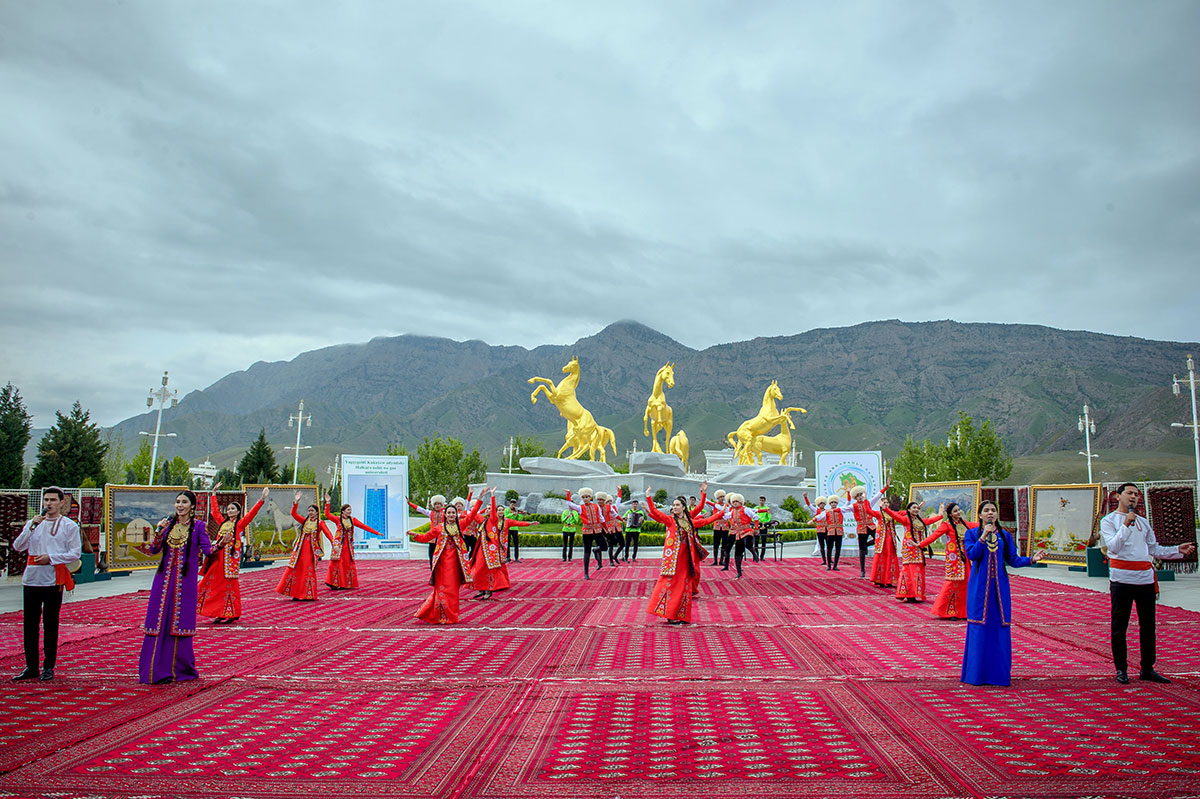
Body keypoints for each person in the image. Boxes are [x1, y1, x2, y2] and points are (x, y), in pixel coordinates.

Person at [1100, 482, 1196, 684]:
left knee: (1148, 626)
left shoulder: (1143, 522)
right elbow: (1114, 547)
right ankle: (1121, 669)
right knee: (1120, 626)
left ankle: (1147, 668)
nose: (1133, 497)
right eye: (1129, 493)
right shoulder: (1109, 521)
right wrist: (1126, 524)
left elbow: (1154, 549)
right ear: (1118, 496)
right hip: (1121, 580)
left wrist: (1178, 549)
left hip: (1144, 580)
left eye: (1136, 494)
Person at [961, 500, 1046, 686]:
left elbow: (1013, 560)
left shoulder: (1006, 536)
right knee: (979, 626)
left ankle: (998, 675)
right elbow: (972, 555)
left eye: (993, 510)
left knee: (999, 628)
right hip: (979, 590)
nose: (990, 513)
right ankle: (976, 675)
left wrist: (1032, 559)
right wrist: (983, 536)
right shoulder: (972, 534)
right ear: (980, 515)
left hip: (1000, 591)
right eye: (986, 510)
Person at [138, 490, 213, 684]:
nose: (180, 505)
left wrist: (221, 544)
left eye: (184, 502)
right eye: (177, 502)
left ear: (192, 506)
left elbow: (208, 551)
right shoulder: (168, 525)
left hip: (184, 584)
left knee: (178, 623)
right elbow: (154, 549)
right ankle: (153, 670)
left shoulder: (198, 527)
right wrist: (158, 531)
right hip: (162, 582)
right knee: (158, 621)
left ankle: (177, 669)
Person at [12, 487, 81, 682]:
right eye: (46, 500)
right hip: (32, 579)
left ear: (61, 503)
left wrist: (51, 558)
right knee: (30, 624)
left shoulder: (69, 526)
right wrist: (30, 527)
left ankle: (48, 666)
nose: (48, 504)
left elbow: (74, 553)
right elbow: (18, 546)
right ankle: (31, 666)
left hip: (53, 579)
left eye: (52, 500)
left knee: (50, 624)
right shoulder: (34, 524)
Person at [644, 482, 721, 624]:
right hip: (673, 561)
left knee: (683, 587)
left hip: (686, 560)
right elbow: (655, 512)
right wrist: (648, 497)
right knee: (671, 585)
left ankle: (680, 615)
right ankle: (669, 614)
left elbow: (707, 519)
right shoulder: (670, 521)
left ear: (684, 508)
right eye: (673, 505)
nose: (674, 507)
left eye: (677, 505)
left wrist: (720, 510)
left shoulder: (689, 522)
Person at [408, 491, 486, 623]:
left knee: (453, 591)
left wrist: (479, 499)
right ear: (445, 514)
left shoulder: (460, 525)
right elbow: (427, 537)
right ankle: (440, 615)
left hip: (456, 563)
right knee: (442, 589)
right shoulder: (439, 528)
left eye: (453, 513)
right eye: (449, 513)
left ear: (456, 515)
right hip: (442, 564)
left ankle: (451, 616)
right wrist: (415, 535)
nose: (451, 515)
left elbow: (472, 514)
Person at [197, 484, 267, 624]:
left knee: (229, 586)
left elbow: (251, 515)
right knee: (212, 583)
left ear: (238, 511)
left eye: (232, 509)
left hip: (229, 560)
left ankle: (232, 612)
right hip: (218, 558)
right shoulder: (222, 522)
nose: (229, 511)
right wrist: (214, 494)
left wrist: (262, 500)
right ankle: (218, 611)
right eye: (228, 509)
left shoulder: (240, 524)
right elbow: (215, 512)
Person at [472, 493, 536, 600]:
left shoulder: (505, 521)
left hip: (499, 547)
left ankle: (497, 586)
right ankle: (485, 588)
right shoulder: (487, 520)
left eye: (502, 510)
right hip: (486, 548)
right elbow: (473, 513)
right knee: (481, 568)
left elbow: (518, 523)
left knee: (498, 567)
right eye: (499, 510)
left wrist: (529, 523)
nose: (501, 512)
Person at [918, 502, 970, 619]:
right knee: (952, 584)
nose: (959, 512)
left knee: (965, 584)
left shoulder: (963, 523)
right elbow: (934, 536)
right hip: (954, 559)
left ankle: (963, 611)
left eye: (959, 510)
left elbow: (975, 525)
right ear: (950, 514)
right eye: (955, 511)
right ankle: (948, 611)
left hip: (965, 559)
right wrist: (921, 544)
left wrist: (986, 521)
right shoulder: (947, 525)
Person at [884, 501, 944, 602]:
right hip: (909, 549)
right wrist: (886, 509)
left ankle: (913, 593)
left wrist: (940, 516)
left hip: (918, 548)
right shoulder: (906, 520)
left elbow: (930, 521)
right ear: (908, 510)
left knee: (917, 571)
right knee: (909, 571)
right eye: (914, 508)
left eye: (917, 508)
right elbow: (895, 516)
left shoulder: (920, 521)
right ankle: (909, 594)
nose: (916, 509)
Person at [276, 493, 328, 601]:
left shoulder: (320, 523)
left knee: (307, 571)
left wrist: (334, 545)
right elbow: (293, 514)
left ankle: (307, 594)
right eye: (309, 511)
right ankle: (295, 593)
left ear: (317, 512)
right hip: (300, 550)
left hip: (311, 552)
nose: (310, 513)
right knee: (296, 570)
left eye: (312, 511)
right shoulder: (304, 521)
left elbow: (328, 534)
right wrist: (296, 502)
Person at [323, 495, 382, 590]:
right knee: (336, 563)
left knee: (346, 564)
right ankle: (333, 582)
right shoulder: (338, 519)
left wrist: (376, 533)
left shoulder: (353, 520)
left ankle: (344, 583)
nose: (350, 512)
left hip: (348, 546)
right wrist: (328, 503)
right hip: (339, 545)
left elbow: (364, 526)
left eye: (350, 510)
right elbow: (327, 515)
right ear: (343, 511)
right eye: (348, 510)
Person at [564, 488, 606, 579]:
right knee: (587, 552)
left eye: (587, 497)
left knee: (604, 546)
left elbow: (601, 518)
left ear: (590, 497)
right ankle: (586, 573)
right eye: (583, 497)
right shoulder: (580, 508)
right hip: (587, 531)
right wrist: (568, 493)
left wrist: (606, 528)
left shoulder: (596, 506)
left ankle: (597, 553)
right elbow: (569, 504)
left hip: (597, 530)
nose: (585, 499)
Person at [847, 485, 887, 578]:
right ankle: (862, 570)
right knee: (861, 549)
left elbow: (877, 496)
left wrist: (886, 487)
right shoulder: (854, 506)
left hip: (871, 526)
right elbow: (843, 508)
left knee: (879, 539)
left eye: (861, 495)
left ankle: (867, 545)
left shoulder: (868, 502)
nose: (860, 497)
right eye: (858, 496)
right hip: (861, 528)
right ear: (855, 497)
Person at [723, 493, 760, 579]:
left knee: (747, 544)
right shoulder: (732, 511)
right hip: (738, 533)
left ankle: (754, 553)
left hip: (747, 531)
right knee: (737, 553)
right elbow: (725, 517)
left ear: (741, 502)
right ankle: (739, 572)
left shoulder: (745, 509)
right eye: (734, 501)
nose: (735, 503)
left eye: (737, 501)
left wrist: (756, 528)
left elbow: (756, 516)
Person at [809, 494, 848, 571]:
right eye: (832, 502)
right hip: (830, 532)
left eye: (835, 502)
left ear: (837, 503)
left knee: (838, 549)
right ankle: (829, 565)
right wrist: (812, 520)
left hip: (839, 532)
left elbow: (848, 504)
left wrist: (848, 494)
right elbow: (819, 516)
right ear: (830, 504)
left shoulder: (840, 510)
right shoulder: (827, 512)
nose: (833, 504)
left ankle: (835, 565)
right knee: (829, 548)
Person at [870, 496, 902, 587]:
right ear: (880, 505)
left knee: (890, 557)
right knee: (882, 557)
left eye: (887, 502)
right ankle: (880, 579)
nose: (886, 504)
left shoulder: (893, 513)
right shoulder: (878, 514)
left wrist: (915, 508)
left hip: (891, 538)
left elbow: (903, 513)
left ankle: (889, 580)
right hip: (882, 539)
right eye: (884, 503)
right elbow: (867, 510)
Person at [406, 494, 446, 567]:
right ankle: (433, 571)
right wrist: (410, 504)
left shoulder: (446, 513)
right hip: (432, 538)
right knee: (431, 556)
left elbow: (458, 516)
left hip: (442, 537)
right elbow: (421, 510)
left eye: (439, 504)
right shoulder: (431, 513)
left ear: (442, 505)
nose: (437, 506)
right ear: (433, 505)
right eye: (436, 504)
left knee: (442, 557)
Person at [804, 495, 830, 566]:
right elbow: (809, 505)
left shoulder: (827, 511)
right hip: (819, 530)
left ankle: (829, 559)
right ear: (818, 505)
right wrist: (806, 498)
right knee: (822, 546)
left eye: (823, 503)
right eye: (820, 504)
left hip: (827, 529)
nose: (822, 505)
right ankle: (824, 560)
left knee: (829, 545)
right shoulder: (816, 511)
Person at [707, 489, 730, 568]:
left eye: (723, 497)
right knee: (716, 544)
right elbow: (706, 502)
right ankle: (715, 560)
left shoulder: (727, 506)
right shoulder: (715, 506)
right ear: (717, 498)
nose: (722, 498)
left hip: (725, 526)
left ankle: (721, 560)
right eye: (720, 497)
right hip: (717, 526)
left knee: (724, 544)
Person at [753, 497, 772, 561]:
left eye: (762, 500)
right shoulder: (756, 508)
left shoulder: (767, 509)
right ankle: (756, 555)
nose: (761, 502)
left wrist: (765, 523)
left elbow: (769, 517)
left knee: (764, 541)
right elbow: (752, 516)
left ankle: (762, 556)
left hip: (764, 525)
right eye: (760, 500)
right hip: (757, 524)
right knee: (756, 541)